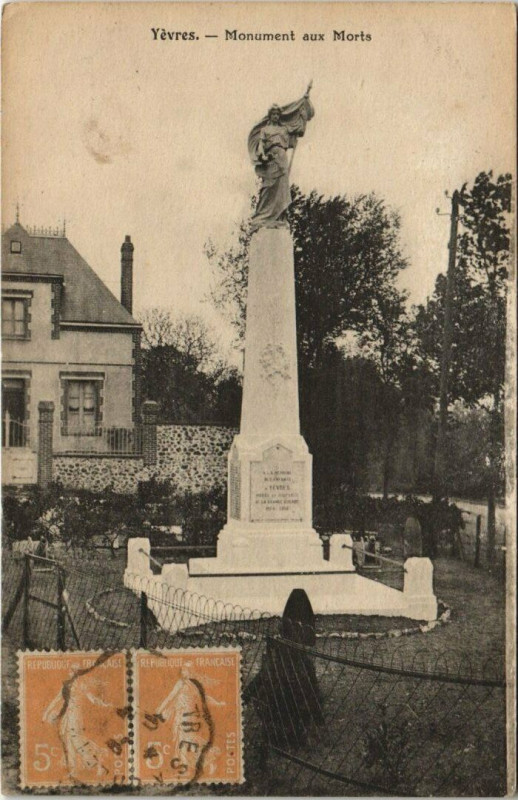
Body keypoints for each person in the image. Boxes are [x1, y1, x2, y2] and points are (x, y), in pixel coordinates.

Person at [248, 84, 314, 232]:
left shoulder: (284, 129)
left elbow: (299, 131)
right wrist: (262, 155)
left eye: (278, 114)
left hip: (282, 158)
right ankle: (262, 216)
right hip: (270, 158)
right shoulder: (265, 130)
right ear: (270, 115)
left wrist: (303, 112)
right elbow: (260, 145)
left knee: (281, 187)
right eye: (274, 114)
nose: (276, 116)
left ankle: (279, 217)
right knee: (268, 187)